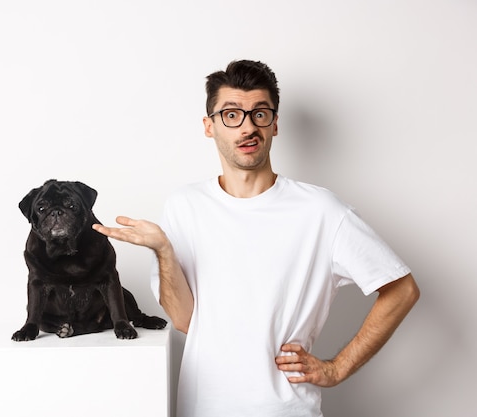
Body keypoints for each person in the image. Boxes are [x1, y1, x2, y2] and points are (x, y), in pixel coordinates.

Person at [93, 59, 420, 417]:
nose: (247, 127)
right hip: (203, 408)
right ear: (209, 126)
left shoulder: (321, 211)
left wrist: (336, 368)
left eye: (260, 113)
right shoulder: (185, 205)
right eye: (231, 114)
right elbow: (188, 322)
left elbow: (401, 289)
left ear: (275, 124)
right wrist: (164, 251)